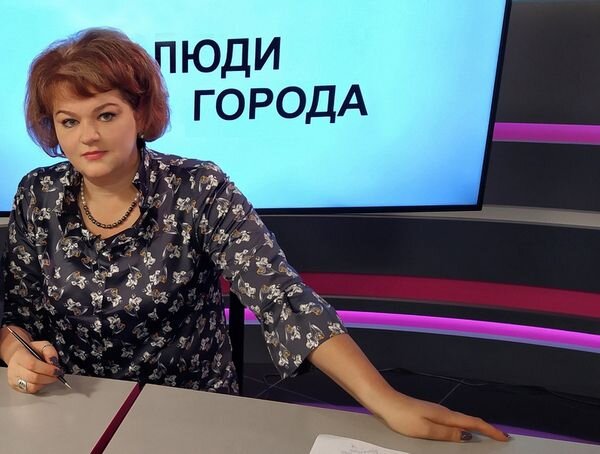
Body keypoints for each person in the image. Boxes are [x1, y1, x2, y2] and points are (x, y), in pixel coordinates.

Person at [0, 28, 509, 443]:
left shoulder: (198, 187)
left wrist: (385, 400)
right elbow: (18, 314)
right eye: (69, 121)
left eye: (106, 114)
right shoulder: (37, 193)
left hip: (191, 410)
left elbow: (282, 298)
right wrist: (16, 352)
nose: (87, 136)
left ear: (139, 111)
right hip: (75, 405)